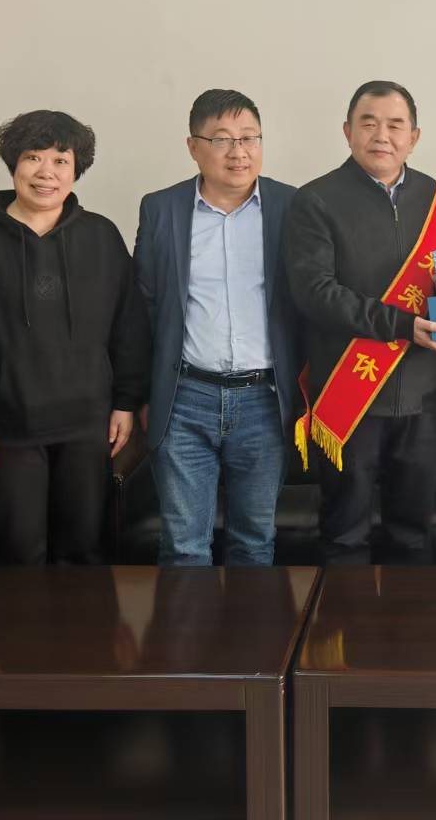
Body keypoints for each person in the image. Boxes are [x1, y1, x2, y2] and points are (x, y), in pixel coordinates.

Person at [0, 110, 149, 565]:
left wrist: (126, 402)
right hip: (8, 430)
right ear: (13, 164)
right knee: (17, 558)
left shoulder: (101, 236)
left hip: (87, 428)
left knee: (84, 556)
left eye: (61, 160)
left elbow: (129, 326)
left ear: (76, 169)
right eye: (33, 157)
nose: (46, 172)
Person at [286, 81, 436, 564]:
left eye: (395, 125)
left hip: (423, 394)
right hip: (350, 395)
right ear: (347, 132)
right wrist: (402, 326)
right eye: (369, 123)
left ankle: (410, 620)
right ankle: (341, 616)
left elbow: (434, 287)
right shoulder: (315, 200)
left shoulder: (435, 199)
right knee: (345, 536)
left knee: (414, 537)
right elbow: (316, 293)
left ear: (414, 137)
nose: (382, 135)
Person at [133, 89, 300, 566]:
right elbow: (143, 307)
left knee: (255, 543)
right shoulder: (161, 209)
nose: (238, 152)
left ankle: (252, 623)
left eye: (250, 138)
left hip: (265, 400)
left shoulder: (293, 206)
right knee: (184, 547)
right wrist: (140, 394)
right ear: (193, 147)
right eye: (223, 139)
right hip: (185, 398)